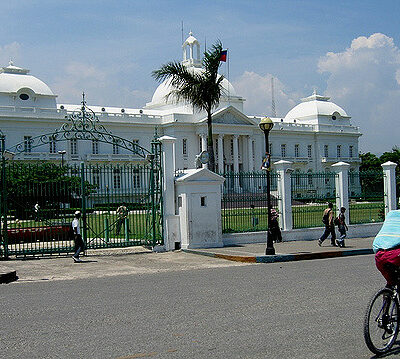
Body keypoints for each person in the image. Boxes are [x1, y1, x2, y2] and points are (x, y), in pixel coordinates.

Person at [373, 210, 400, 288]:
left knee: (391, 281)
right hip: (395, 255)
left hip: (379, 256)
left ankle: (387, 294)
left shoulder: (390, 219)